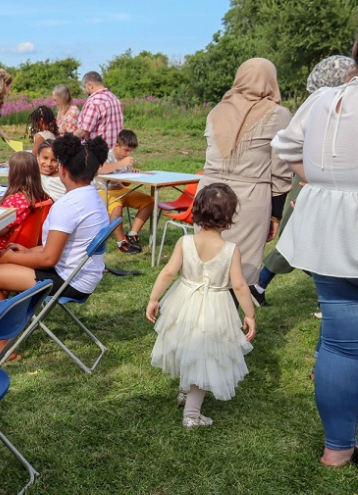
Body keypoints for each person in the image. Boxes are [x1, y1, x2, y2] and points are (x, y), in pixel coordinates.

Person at [270, 40, 358, 468]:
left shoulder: (324, 99)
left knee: (341, 344)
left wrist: (326, 182)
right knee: (341, 343)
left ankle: (336, 449)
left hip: (329, 224)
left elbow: (285, 147)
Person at [0, 135, 109, 363]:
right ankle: (4, 336)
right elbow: (57, 249)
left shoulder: (68, 205)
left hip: (69, 281)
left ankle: (0, 348)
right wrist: (25, 251)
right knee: (2, 265)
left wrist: (10, 256)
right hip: (83, 275)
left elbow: (49, 259)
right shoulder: (93, 197)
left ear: (63, 170)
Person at [147, 183, 255, 429]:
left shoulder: (185, 242)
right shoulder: (230, 250)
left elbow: (168, 272)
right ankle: (192, 415)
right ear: (228, 218)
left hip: (184, 301)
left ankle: (185, 391)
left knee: (190, 346)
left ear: (196, 211)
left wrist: (154, 298)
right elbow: (239, 286)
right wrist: (249, 314)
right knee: (206, 357)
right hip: (215, 307)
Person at [251, 55, 356, 306]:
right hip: (312, 178)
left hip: (317, 178)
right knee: (298, 234)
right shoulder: (324, 102)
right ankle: (261, 284)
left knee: (310, 237)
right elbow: (288, 145)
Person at [198, 58, 292, 287]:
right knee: (239, 270)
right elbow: (280, 171)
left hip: (208, 195)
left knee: (207, 266)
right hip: (247, 200)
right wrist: (275, 213)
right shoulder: (277, 114)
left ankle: (203, 320)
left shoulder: (217, 110)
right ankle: (226, 321)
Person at [96, 129, 155, 254]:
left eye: (130, 151)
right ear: (117, 146)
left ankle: (132, 234)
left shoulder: (126, 159)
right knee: (117, 208)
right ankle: (120, 243)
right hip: (103, 190)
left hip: (120, 189)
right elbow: (102, 169)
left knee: (149, 201)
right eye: (126, 150)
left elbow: (125, 183)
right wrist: (121, 163)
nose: (128, 153)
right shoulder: (106, 155)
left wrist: (131, 174)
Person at [0, 152, 50, 257]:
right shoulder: (42, 197)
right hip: (28, 245)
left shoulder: (14, 202)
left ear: (13, 174)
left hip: (7, 246)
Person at [73, 71, 124, 148]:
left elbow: (84, 130)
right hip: (114, 149)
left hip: (97, 152)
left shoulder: (94, 102)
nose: (85, 90)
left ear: (90, 85)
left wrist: (67, 139)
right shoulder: (114, 98)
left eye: (85, 87)